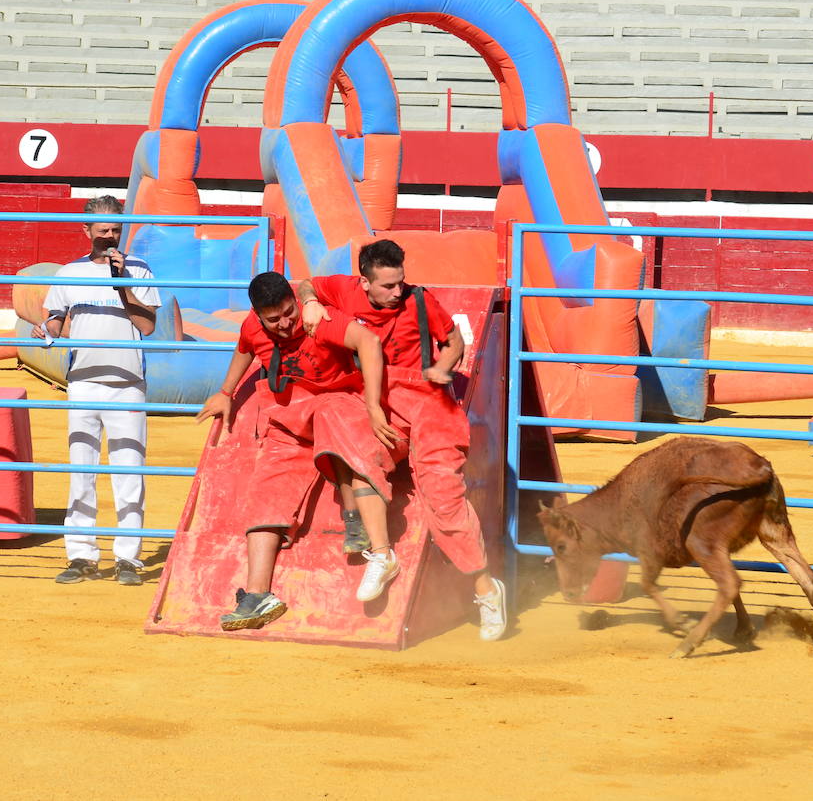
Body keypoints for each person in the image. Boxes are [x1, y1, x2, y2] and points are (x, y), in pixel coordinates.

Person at [297, 238, 508, 640]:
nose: (398, 292)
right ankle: (381, 554)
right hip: (378, 400)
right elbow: (305, 282)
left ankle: (486, 589)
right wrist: (309, 300)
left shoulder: (421, 301)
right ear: (364, 282)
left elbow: (454, 343)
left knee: (444, 497)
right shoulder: (342, 289)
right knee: (356, 451)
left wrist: (443, 367)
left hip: (428, 405)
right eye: (388, 286)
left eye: (401, 283)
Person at [196, 271, 401, 631]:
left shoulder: (317, 317)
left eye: (289, 312)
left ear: (295, 301)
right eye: (274, 319)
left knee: (331, 416)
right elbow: (244, 348)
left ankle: (363, 528)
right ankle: (258, 595)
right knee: (264, 494)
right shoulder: (252, 326)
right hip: (288, 419)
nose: (286, 324)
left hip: (339, 404)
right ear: (258, 316)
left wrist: (372, 405)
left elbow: (369, 342)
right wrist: (226, 391)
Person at [36, 195, 161, 587]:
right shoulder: (68, 274)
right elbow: (54, 320)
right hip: (83, 382)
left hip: (127, 386)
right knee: (81, 472)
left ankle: (128, 557)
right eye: (103, 230)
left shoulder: (138, 270)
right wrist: (48, 331)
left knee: (129, 473)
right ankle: (81, 555)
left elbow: (149, 326)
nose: (110, 237)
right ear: (86, 230)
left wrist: (123, 285)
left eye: (116, 229)